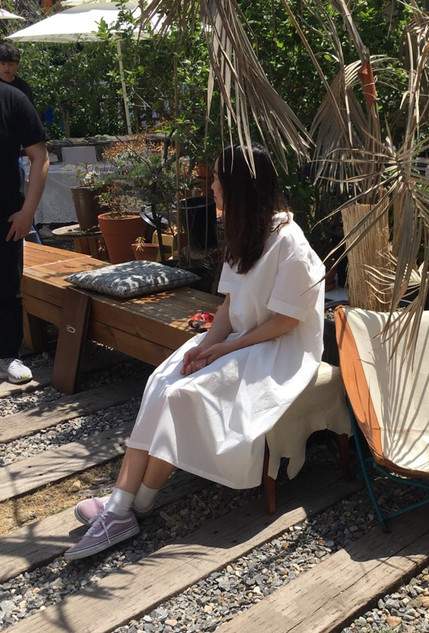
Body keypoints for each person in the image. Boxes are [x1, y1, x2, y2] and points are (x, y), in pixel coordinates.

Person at [64, 144, 326, 560]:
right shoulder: (247, 231)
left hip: (279, 350)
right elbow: (228, 306)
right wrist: (204, 349)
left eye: (218, 179)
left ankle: (136, 504)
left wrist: (225, 348)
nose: (212, 186)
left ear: (239, 187)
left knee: (182, 396)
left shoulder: (289, 242)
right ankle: (121, 505)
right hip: (241, 339)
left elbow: (286, 323)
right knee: (163, 380)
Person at [0, 78, 48, 384]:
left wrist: (28, 212)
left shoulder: (12, 99)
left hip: (5, 215)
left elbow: (39, 155)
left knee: (7, 289)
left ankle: (7, 355)